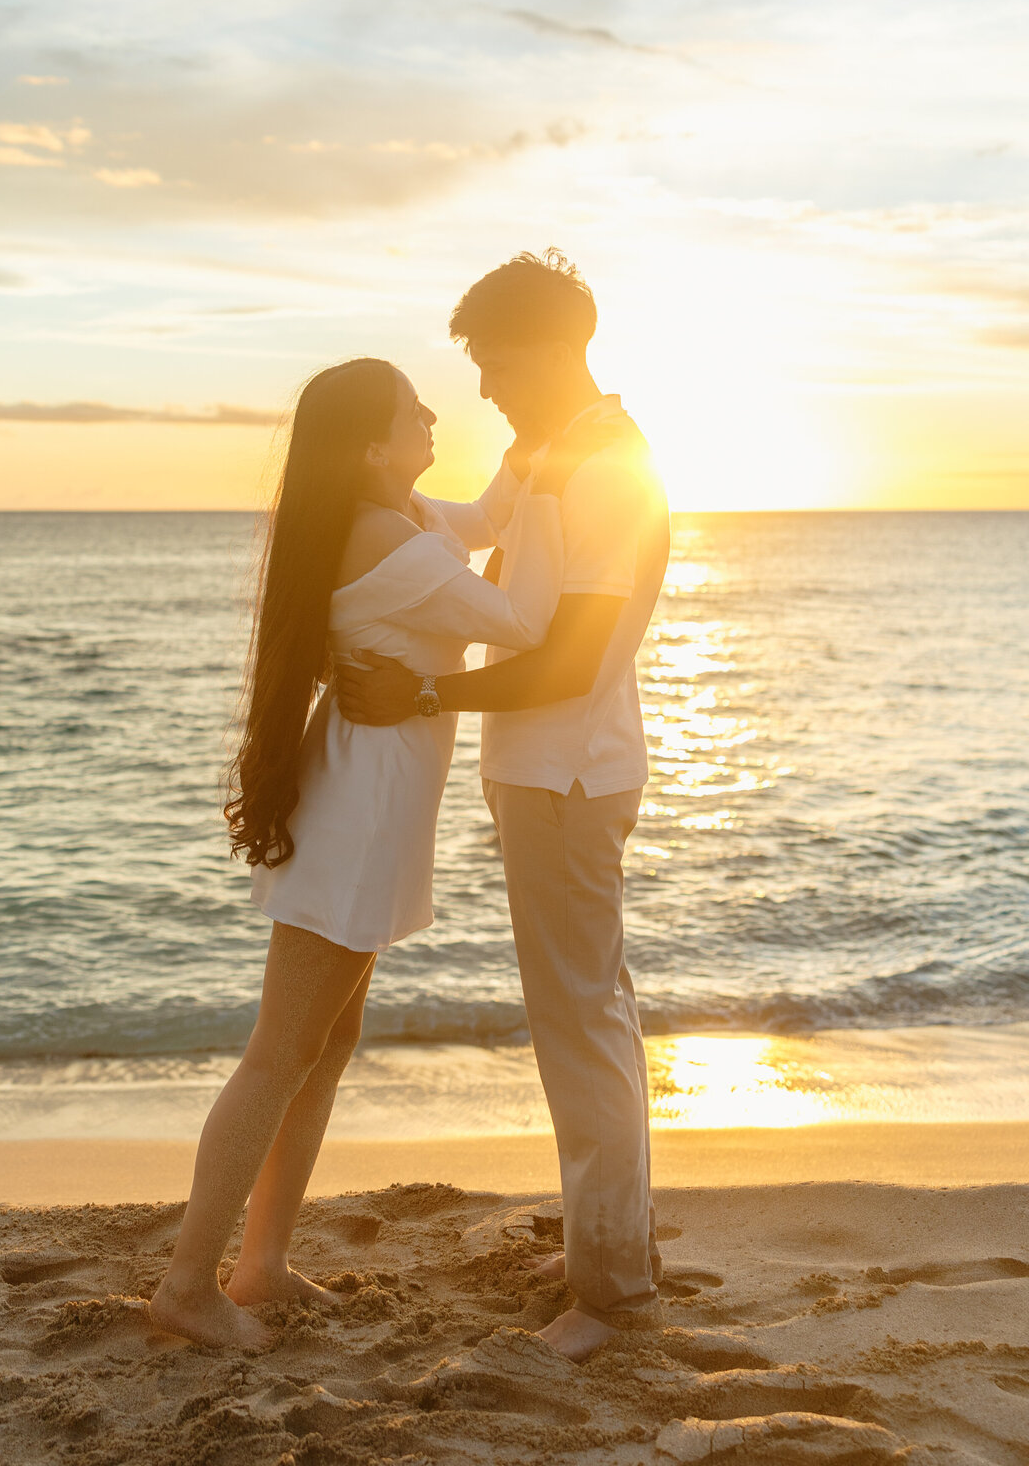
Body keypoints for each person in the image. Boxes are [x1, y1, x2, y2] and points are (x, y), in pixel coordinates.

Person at [149, 354, 611, 1351]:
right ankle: (192, 1285)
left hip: (370, 808)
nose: (435, 411)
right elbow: (525, 621)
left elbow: (487, 516)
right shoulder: (388, 542)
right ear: (369, 445)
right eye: (414, 410)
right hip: (359, 817)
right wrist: (561, 483)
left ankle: (261, 1264)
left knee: (323, 1045)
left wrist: (541, 447)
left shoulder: (398, 523)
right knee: (282, 1051)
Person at [336, 251, 671, 1363]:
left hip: (569, 768)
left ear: (545, 345)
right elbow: (468, 526)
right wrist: (358, 487)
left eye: (489, 359)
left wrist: (426, 687)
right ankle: (607, 1241)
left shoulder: (603, 468)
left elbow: (567, 661)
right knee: (590, 1012)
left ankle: (613, 1290)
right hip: (548, 768)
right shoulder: (550, 452)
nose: (479, 386)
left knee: (581, 1024)